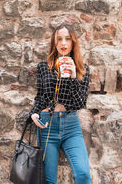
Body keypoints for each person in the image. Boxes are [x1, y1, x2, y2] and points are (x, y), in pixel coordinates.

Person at [28, 23, 91, 184]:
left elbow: (79, 103)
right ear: (54, 43)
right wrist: (34, 113)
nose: (63, 43)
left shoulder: (82, 69)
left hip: (71, 125)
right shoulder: (44, 67)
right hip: (47, 124)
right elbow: (41, 96)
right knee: (49, 180)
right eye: (59, 39)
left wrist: (73, 76)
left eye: (67, 39)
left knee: (83, 173)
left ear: (73, 42)